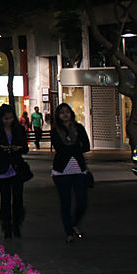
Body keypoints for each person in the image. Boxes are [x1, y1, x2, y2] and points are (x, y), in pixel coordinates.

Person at [51, 102, 91, 244]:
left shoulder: (79, 128)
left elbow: (86, 146)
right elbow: (59, 148)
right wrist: (75, 147)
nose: (65, 114)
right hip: (62, 171)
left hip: (79, 169)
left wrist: (72, 148)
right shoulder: (56, 130)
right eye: (62, 112)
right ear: (58, 116)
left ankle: (74, 223)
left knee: (82, 201)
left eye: (67, 111)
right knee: (65, 202)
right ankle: (68, 232)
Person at [0, 104, 29, 239]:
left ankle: (17, 224)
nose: (8, 121)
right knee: (5, 198)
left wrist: (17, 148)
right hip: (2, 167)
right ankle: (6, 226)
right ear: (1, 119)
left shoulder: (19, 130)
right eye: (5, 119)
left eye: (10, 118)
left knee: (18, 198)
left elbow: (25, 149)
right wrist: (2, 148)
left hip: (17, 167)